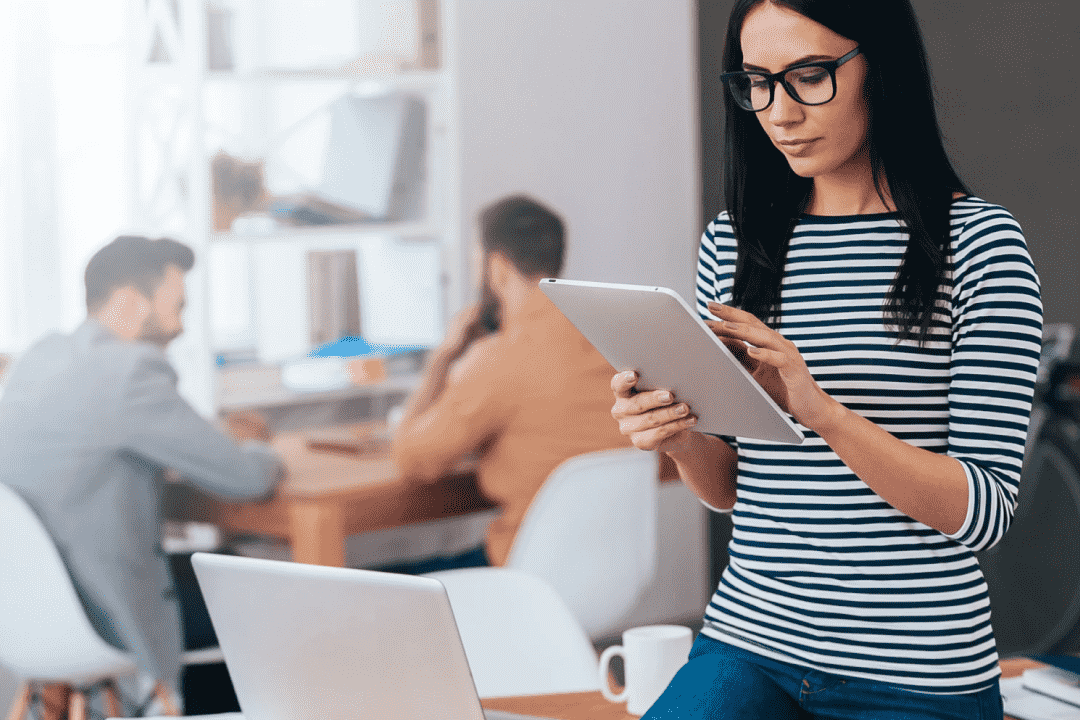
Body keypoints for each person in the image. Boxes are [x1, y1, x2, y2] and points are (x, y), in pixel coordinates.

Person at [611, 1, 1042, 718]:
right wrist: (678, 434)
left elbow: (986, 510)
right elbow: (732, 488)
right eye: (756, 82)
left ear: (882, 67)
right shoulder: (733, 242)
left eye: (808, 75)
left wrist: (821, 412)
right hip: (749, 642)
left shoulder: (980, 245)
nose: (778, 112)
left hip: (915, 674)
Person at [0, 236, 283, 717]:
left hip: (25, 618)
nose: (183, 323)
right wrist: (262, 447)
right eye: (178, 305)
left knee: (220, 565)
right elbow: (245, 479)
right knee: (266, 591)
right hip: (107, 615)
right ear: (132, 301)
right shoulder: (129, 370)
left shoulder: (39, 358)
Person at [391, 195, 632, 572]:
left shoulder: (502, 357)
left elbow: (412, 460)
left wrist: (440, 360)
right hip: (611, 569)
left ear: (498, 267)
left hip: (526, 573)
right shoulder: (612, 339)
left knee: (361, 589)